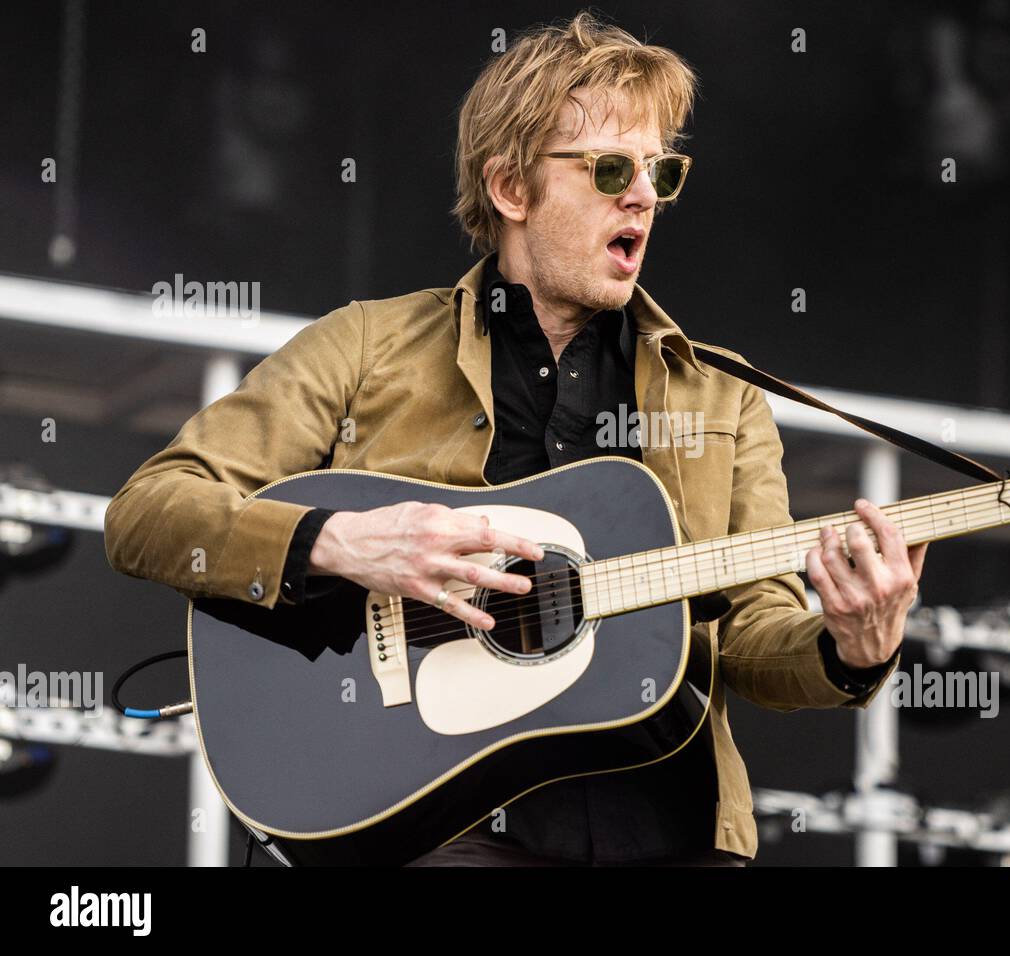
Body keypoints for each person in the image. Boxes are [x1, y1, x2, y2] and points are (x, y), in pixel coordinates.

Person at [104, 11, 925, 867]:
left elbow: (755, 637)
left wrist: (852, 649)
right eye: (612, 168)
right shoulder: (366, 347)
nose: (643, 194)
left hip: (672, 832)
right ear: (511, 188)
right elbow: (149, 512)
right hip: (436, 828)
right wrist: (347, 543)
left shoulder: (722, 395)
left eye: (661, 172)